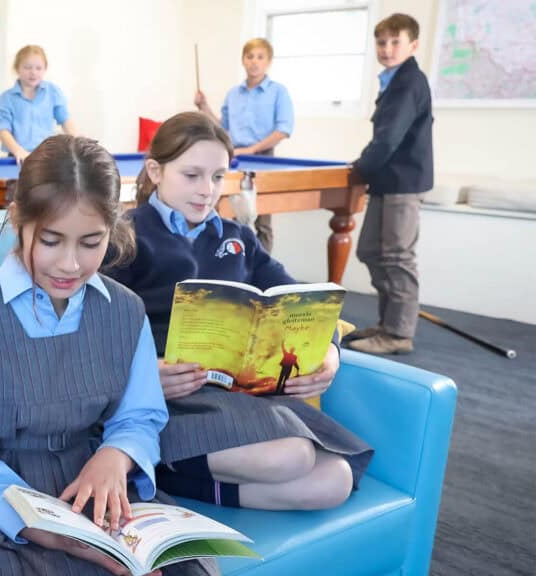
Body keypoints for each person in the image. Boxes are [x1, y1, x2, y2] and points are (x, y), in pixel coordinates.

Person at [0, 135, 216, 575]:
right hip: (0, 502)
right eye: (52, 240)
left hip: (97, 488)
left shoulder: (125, 310)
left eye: (90, 242)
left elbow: (139, 416)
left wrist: (116, 456)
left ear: (112, 230)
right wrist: (66, 537)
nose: (70, 264)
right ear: (17, 219)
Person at [104, 111, 372, 512]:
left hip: (236, 396)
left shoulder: (238, 238)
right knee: (292, 456)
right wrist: (146, 374)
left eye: (217, 177)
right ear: (155, 171)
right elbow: (90, 330)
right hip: (168, 398)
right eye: (191, 175)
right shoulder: (125, 236)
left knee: (336, 481)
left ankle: (174, 478)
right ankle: (157, 462)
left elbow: (306, 301)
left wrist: (330, 353)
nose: (206, 191)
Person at [344, 13, 433, 355]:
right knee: (370, 250)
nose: (387, 48)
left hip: (403, 182)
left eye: (396, 41)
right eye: (381, 42)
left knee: (397, 257)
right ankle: (388, 322)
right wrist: (365, 168)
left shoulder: (410, 81)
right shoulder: (393, 80)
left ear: (413, 45)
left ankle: (398, 333)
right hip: (385, 181)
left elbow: (388, 138)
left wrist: (359, 168)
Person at [194, 38, 294, 253]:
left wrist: (253, 149)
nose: (254, 62)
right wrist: (204, 107)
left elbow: (283, 130)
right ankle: (234, 268)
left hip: (264, 159)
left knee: (262, 221)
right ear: (243, 60)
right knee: (230, 216)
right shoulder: (234, 93)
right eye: (250, 57)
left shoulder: (278, 92)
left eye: (260, 57)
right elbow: (223, 128)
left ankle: (264, 272)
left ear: (268, 61)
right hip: (233, 157)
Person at [0, 45, 78, 163]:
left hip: (47, 157)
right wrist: (18, 151)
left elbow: (65, 120)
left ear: (45, 69)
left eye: (38, 68)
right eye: (27, 67)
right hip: (18, 158)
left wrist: (78, 142)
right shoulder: (5, 99)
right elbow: (3, 130)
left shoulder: (53, 92)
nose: (33, 72)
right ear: (17, 68)